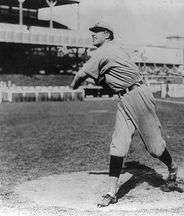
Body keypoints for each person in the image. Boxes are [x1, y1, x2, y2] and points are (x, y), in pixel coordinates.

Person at [70, 21, 178, 207]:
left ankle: (172, 167)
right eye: (92, 32)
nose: (93, 34)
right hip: (124, 99)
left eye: (97, 31)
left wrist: (72, 87)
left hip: (138, 96)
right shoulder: (108, 51)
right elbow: (107, 78)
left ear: (107, 34)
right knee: (118, 145)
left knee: (155, 149)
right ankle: (111, 192)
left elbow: (81, 74)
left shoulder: (105, 51)